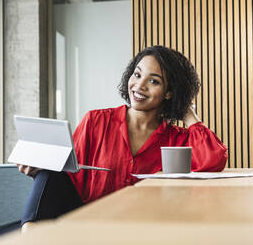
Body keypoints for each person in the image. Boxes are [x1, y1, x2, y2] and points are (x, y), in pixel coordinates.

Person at [17, 45, 228, 229]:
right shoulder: (96, 121)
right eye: (137, 75)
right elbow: (70, 178)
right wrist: (40, 166)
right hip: (88, 220)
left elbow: (213, 160)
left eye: (153, 81)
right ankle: (29, 235)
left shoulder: (177, 139)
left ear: (169, 92)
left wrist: (189, 115)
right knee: (49, 173)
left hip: (146, 227)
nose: (139, 86)